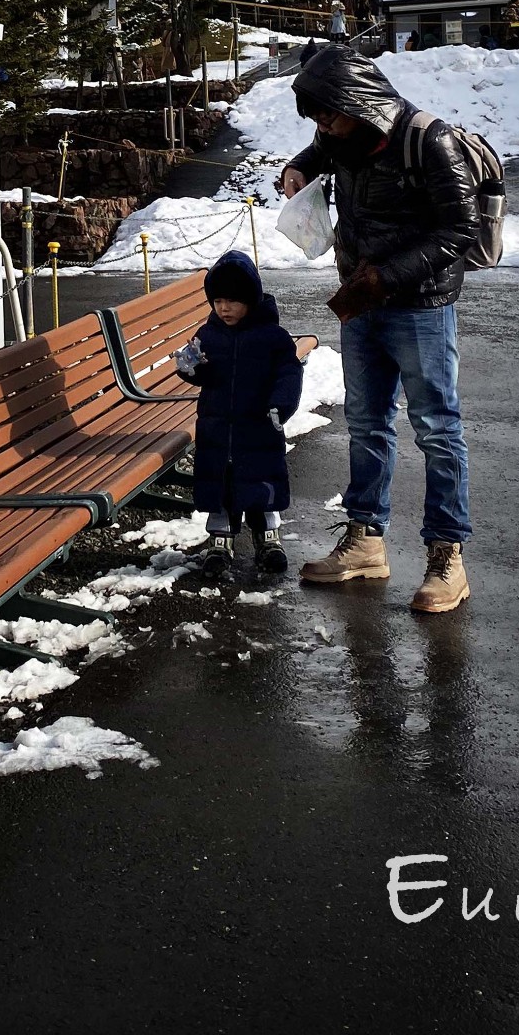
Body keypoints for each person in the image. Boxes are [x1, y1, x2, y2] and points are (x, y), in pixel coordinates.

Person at [279, 43, 481, 613]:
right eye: (316, 117)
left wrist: (388, 278)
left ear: (361, 101)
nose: (324, 126)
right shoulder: (339, 133)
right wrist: (298, 167)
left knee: (437, 429)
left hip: (419, 305)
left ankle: (448, 556)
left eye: (330, 114)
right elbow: (316, 151)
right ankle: (366, 540)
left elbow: (459, 230)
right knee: (366, 424)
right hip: (361, 300)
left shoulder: (428, 139)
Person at [175, 251, 303, 573]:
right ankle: (220, 541)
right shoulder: (209, 335)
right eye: (218, 300)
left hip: (258, 427)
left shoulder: (272, 337)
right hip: (217, 428)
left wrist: (281, 404)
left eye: (232, 300)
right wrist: (190, 368)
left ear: (250, 299)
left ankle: (268, 538)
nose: (224, 308)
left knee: (260, 485)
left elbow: (289, 372)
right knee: (221, 487)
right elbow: (205, 374)